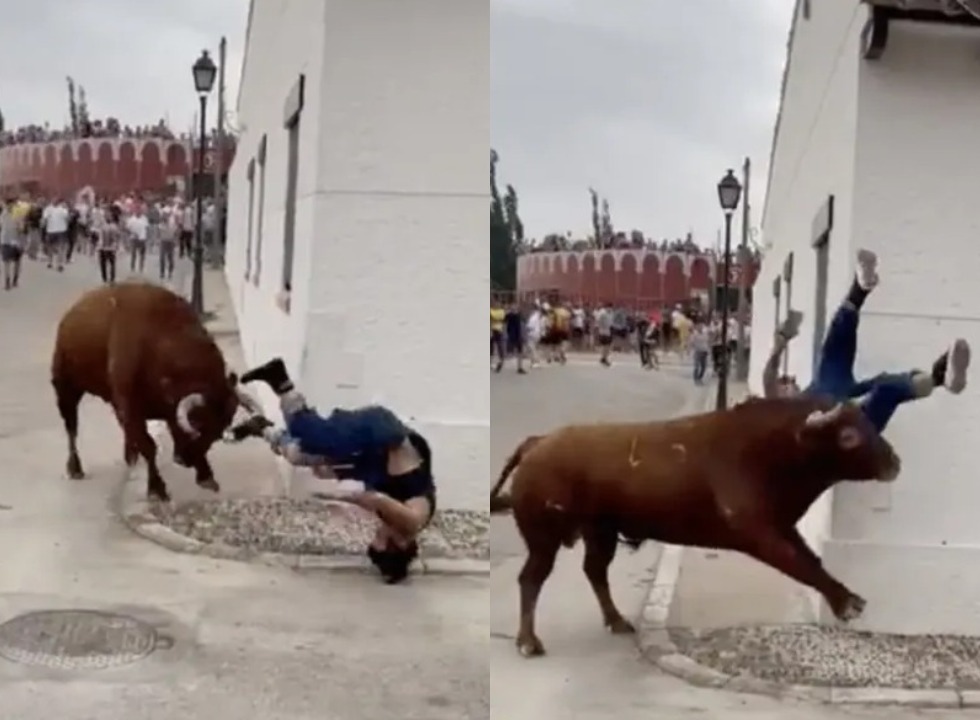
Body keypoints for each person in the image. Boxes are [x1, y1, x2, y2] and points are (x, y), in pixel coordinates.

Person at [229, 358, 437, 584]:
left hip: (371, 455)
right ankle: (280, 381)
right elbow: (375, 498)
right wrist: (340, 496)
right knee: (313, 436)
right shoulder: (411, 522)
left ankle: (261, 427)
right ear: (400, 544)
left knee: (298, 455)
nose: (378, 530)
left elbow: (377, 485)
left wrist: (335, 473)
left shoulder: (395, 519)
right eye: (380, 536)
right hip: (382, 432)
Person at [762, 249, 970, 433]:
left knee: (882, 383)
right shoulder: (784, 412)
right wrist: (778, 348)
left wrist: (780, 342)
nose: (792, 381)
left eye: (789, 379)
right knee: (839, 381)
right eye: (787, 383)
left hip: (841, 399)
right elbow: (769, 377)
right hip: (842, 431)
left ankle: (941, 378)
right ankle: (859, 291)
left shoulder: (817, 388)